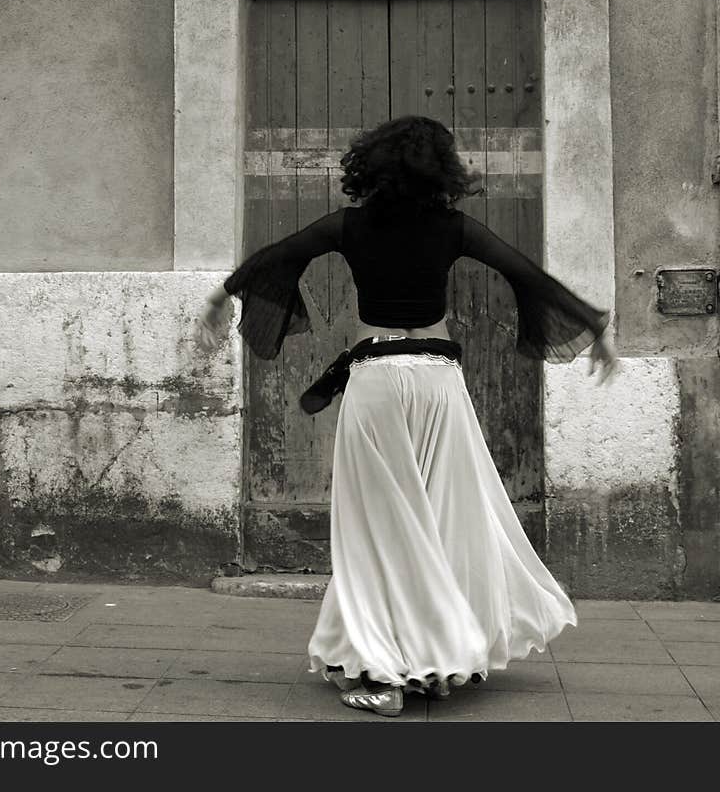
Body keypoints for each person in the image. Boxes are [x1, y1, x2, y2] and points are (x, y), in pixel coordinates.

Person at [195, 115, 618, 717]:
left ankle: (390, 673)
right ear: (443, 169)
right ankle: (438, 656)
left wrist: (219, 299)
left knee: (381, 526)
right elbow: (528, 275)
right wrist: (595, 326)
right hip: (438, 380)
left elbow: (276, 256)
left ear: (372, 166)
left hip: (378, 381)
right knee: (444, 514)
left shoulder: (350, 225)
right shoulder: (454, 229)